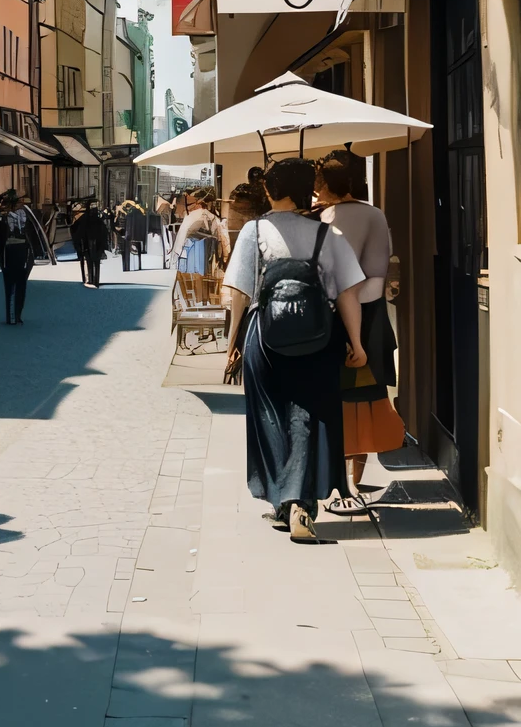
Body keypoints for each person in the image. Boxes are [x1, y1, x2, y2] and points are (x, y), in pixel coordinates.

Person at [224, 156, 367, 544]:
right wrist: (356, 342)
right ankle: (302, 502)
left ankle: (283, 501)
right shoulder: (328, 235)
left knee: (269, 415)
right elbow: (349, 293)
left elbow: (239, 293)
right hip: (319, 338)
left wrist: (233, 342)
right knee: (310, 414)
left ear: (271, 190)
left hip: (265, 336)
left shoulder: (253, 232)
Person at [313, 154, 402, 514]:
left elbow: (329, 272)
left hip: (340, 313)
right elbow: (386, 264)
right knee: (368, 390)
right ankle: (357, 476)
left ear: (327, 186)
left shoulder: (328, 219)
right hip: (374, 310)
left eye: (318, 183)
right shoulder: (376, 213)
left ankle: (340, 484)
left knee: (336, 393)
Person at [0, 188, 48, 324]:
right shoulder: (1, 216)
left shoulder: (24, 214)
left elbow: (36, 232)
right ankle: (14, 315)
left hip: (19, 250)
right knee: (16, 284)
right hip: (11, 251)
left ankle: (14, 315)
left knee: (16, 283)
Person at [172, 189, 228, 277]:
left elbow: (179, 244)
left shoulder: (195, 216)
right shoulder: (208, 217)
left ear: (199, 202)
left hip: (187, 260)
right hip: (196, 261)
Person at [71, 194, 110, 288]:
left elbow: (76, 232)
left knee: (89, 262)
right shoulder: (97, 220)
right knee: (94, 262)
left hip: (88, 245)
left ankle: (90, 280)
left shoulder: (84, 219)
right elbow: (104, 233)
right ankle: (93, 280)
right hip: (91, 244)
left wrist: (77, 245)